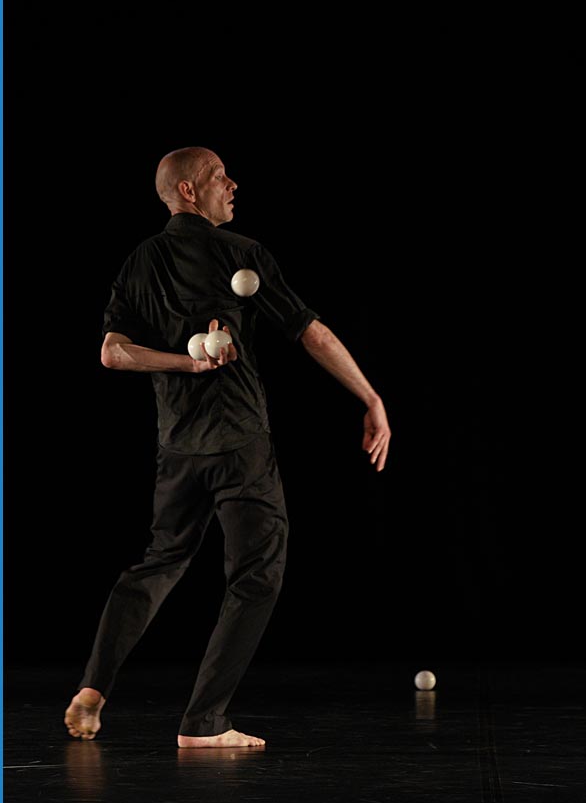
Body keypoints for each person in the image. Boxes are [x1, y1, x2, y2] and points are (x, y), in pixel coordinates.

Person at [63, 146, 390, 749]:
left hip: (177, 448)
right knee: (258, 575)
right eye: (219, 176)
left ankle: (92, 688)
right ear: (189, 191)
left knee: (159, 562)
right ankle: (203, 723)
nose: (233, 184)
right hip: (240, 444)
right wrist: (370, 397)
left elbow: (112, 353)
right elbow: (310, 332)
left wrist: (181, 363)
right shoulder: (242, 252)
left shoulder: (139, 261)